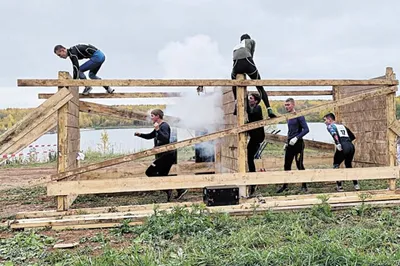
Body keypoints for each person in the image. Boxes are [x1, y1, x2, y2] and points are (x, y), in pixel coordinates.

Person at [134, 109, 187, 202]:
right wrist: (140, 135)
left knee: (150, 172)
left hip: (167, 155)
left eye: (152, 116)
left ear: (157, 116)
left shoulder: (164, 126)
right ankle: (178, 189)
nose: (151, 118)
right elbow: (150, 136)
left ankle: (170, 189)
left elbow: (165, 139)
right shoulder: (158, 126)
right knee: (162, 175)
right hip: (163, 155)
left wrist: (158, 129)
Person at [231, 34, 276, 118]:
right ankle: (269, 109)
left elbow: (234, 59)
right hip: (248, 62)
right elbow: (251, 55)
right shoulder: (251, 41)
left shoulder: (235, 47)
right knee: (260, 87)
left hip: (236, 65)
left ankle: (236, 104)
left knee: (234, 84)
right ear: (248, 38)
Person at [277, 98, 309, 193]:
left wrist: (297, 138)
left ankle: (304, 186)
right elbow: (290, 131)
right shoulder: (288, 117)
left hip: (298, 144)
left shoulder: (299, 115)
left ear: (293, 104)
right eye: (285, 105)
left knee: (299, 165)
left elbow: (306, 129)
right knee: (287, 165)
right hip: (290, 144)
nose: (286, 107)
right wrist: (287, 142)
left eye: (288, 105)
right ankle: (285, 185)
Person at [323, 113, 360, 192]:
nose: (324, 122)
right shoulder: (342, 126)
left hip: (342, 146)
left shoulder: (330, 126)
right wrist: (347, 142)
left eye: (325, 120)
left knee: (336, 165)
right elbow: (352, 136)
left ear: (330, 119)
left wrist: (338, 143)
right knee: (348, 165)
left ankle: (339, 186)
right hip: (351, 146)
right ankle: (356, 184)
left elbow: (334, 134)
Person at [246, 93, 265, 197]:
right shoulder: (253, 108)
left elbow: (251, 113)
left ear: (256, 101)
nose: (249, 100)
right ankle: (252, 183)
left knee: (250, 158)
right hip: (254, 136)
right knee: (250, 158)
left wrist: (244, 101)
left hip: (257, 137)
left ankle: (253, 183)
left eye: (251, 98)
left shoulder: (257, 108)